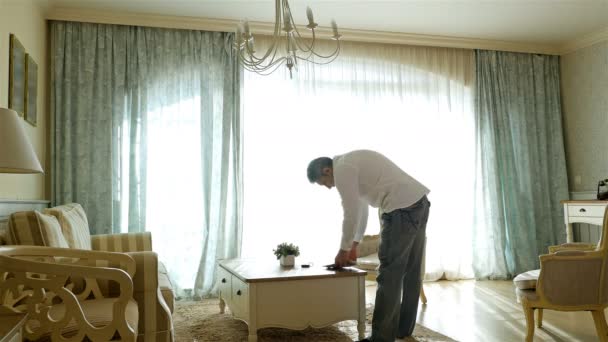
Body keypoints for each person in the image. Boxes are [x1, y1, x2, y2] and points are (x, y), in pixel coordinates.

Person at [307, 150, 431, 342]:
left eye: (325, 184)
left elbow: (351, 212)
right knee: (411, 271)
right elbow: (362, 208)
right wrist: (354, 243)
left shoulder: (343, 170)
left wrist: (343, 249)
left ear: (326, 171)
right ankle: (403, 329)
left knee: (389, 275)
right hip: (419, 203)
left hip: (400, 210)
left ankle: (380, 339)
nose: (329, 188)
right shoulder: (351, 162)